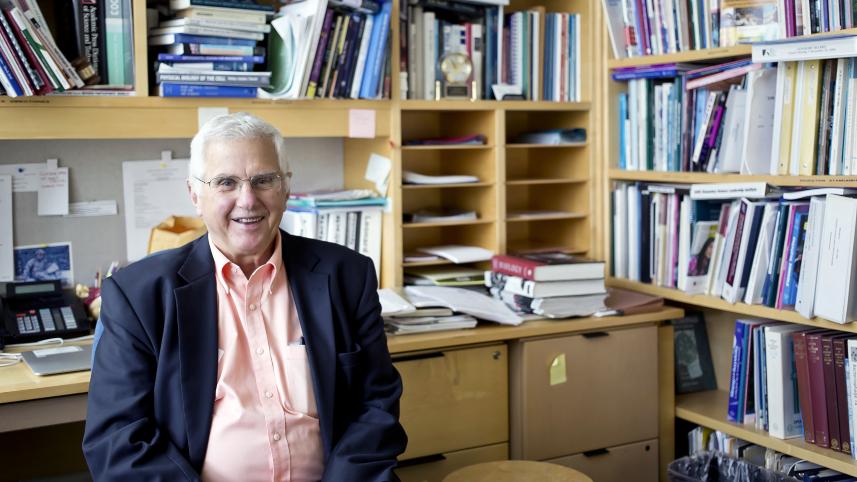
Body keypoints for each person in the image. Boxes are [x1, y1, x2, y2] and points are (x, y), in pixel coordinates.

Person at [83, 112, 407, 481]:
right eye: (226, 183)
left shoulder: (347, 276)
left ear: (286, 187)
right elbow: (118, 440)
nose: (248, 200)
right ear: (194, 194)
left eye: (263, 180)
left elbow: (376, 406)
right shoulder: (138, 295)